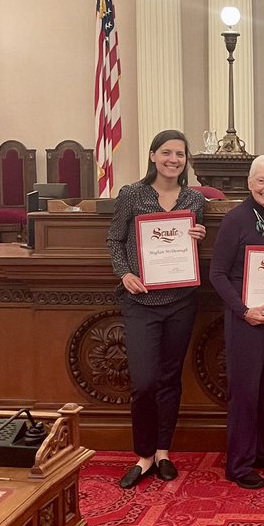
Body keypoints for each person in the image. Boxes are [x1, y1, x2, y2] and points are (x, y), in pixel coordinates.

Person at [108, 130, 207, 490]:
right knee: (145, 382)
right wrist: (126, 272)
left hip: (181, 302)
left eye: (180, 154)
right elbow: (115, 239)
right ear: (153, 156)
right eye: (166, 152)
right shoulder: (131, 195)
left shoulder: (194, 199)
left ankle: (163, 452)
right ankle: (143, 455)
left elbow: (191, 244)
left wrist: (199, 237)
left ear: (186, 161)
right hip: (140, 303)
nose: (173, 159)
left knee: (169, 380)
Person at [209, 155, 264, 488]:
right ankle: (239, 463)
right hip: (245, 321)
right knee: (245, 393)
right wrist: (243, 309)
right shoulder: (235, 219)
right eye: (261, 181)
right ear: (249, 183)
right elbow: (217, 273)